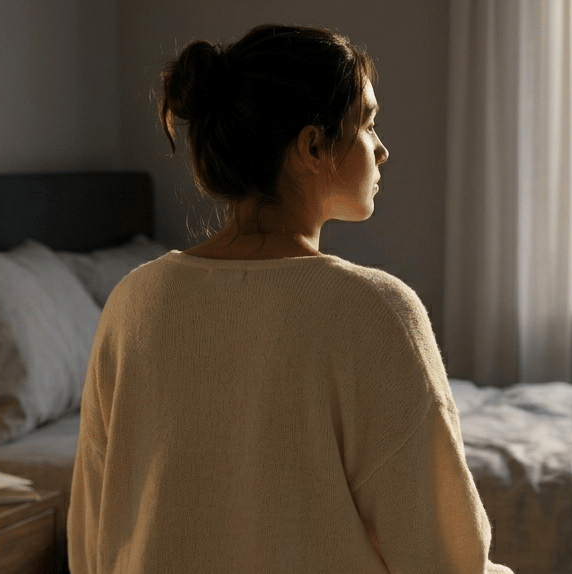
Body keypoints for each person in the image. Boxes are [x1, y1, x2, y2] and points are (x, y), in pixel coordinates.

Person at [68, 24, 513, 573]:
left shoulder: (132, 302)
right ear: (313, 145)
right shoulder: (375, 311)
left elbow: (93, 536)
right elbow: (446, 560)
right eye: (368, 123)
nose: (383, 149)